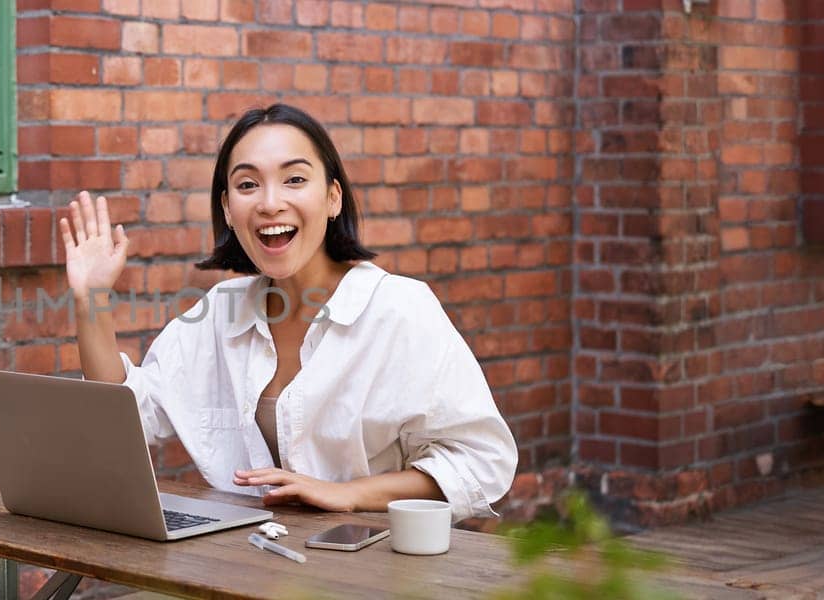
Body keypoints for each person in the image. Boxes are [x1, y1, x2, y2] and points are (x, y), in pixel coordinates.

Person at [58, 103, 517, 522]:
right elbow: (126, 416)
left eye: (294, 179)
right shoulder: (223, 310)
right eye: (247, 184)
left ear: (333, 198)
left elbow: (480, 460)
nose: (269, 202)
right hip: (245, 563)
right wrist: (90, 299)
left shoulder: (400, 309)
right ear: (228, 209)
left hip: (371, 568)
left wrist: (350, 492)